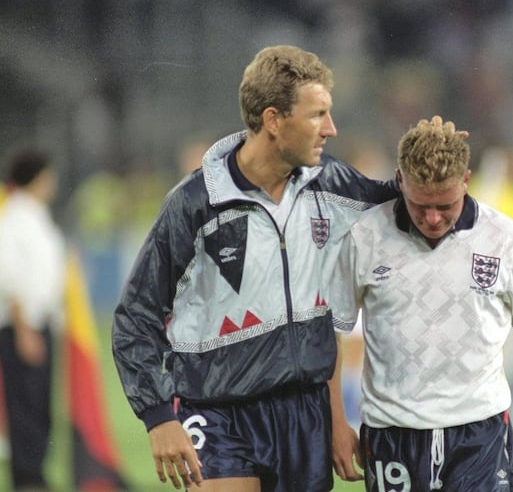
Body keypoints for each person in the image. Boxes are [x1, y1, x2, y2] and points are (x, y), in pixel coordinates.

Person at [111, 45, 399, 492]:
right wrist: (157, 417)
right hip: (215, 409)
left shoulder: (331, 184)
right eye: (317, 115)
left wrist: (432, 156)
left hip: (304, 415)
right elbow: (136, 317)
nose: (331, 129)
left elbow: (409, 202)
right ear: (273, 119)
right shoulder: (195, 203)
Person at [328, 118, 513, 492]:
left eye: (445, 205)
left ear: (466, 180)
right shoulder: (365, 236)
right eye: (420, 205)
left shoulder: (504, 239)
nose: (432, 218)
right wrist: (337, 421)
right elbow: (331, 334)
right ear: (400, 181)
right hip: (391, 436)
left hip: (480, 434)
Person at [0, 148, 66, 492]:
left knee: (40, 403)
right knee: (24, 404)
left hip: (42, 322)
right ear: (38, 177)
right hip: (21, 325)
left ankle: (36, 472)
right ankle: (26, 478)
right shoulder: (12, 218)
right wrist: (24, 328)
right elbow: (9, 279)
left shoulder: (38, 216)